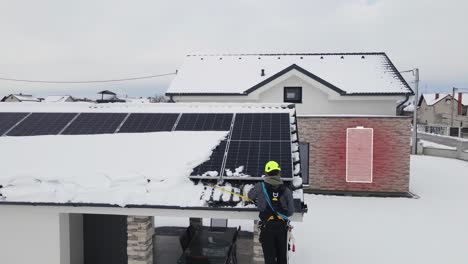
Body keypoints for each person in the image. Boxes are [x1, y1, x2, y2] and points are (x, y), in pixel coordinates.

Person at [248, 160, 295, 264]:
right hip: (282, 229)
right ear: (279, 173)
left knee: (269, 259)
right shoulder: (286, 190)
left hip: (267, 228)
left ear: (266, 173)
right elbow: (291, 211)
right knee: (282, 259)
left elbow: (250, 196)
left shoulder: (260, 187)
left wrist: (260, 200)